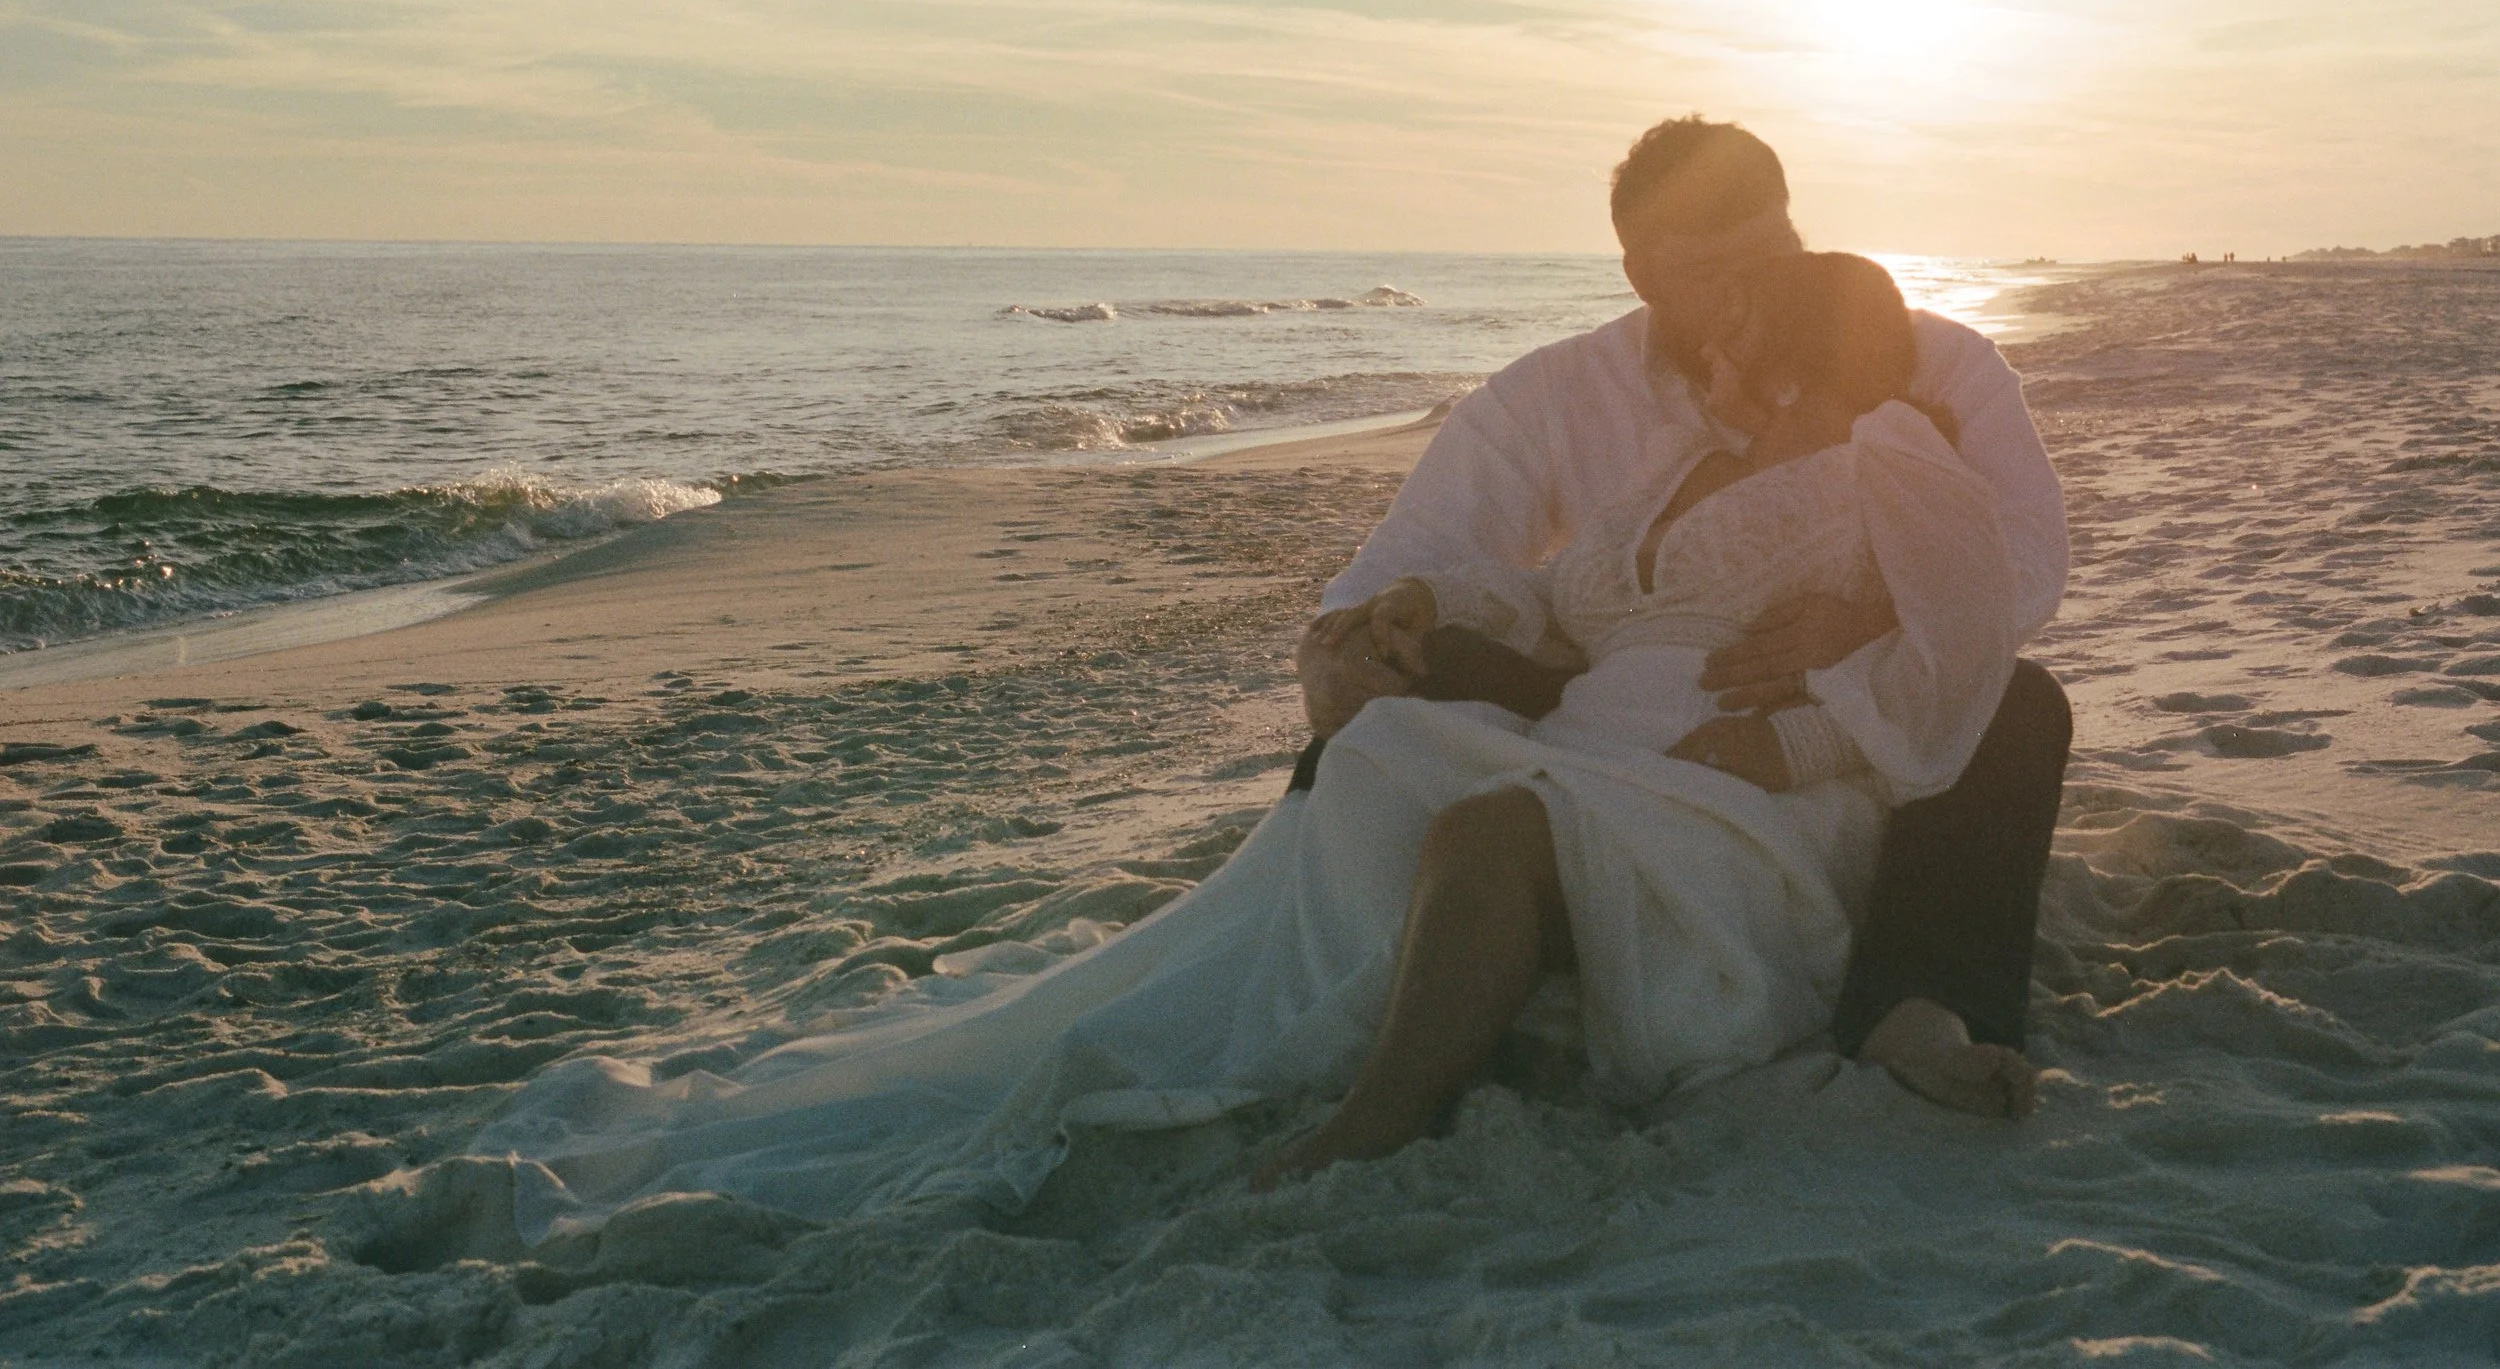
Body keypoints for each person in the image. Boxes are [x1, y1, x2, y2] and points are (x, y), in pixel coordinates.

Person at [468, 247, 2029, 1241]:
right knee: (1383, 757)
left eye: (1756, 322)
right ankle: (1357, 1001)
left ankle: (1378, 1119)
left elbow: (1970, 649)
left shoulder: (1895, 451)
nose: (1716, 336)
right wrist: (1421, 612)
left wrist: (1803, 726)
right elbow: (1566, 607)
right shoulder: (1695, 455)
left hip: (1725, 793)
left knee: (1492, 831)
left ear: (1821, 338)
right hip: (1603, 739)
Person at [1289, 116, 2070, 1125]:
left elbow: (2026, 562)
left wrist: (1869, 616)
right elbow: (1412, 558)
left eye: (1774, 257)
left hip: (1815, 704)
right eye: (1714, 273)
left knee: (2016, 699)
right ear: (1640, 273)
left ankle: (1921, 1005)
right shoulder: (1562, 393)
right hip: (1597, 682)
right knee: (1395, 681)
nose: (1751, 296)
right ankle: (1361, 921)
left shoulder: (1924, 362)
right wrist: (1347, 647)